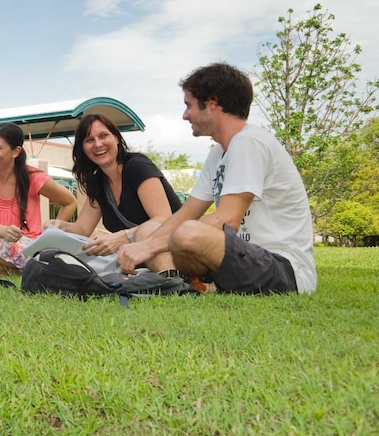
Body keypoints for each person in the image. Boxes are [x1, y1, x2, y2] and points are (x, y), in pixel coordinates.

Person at [117, 62, 317, 294]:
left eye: (189, 105)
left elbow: (227, 219)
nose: (185, 115)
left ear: (212, 103)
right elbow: (186, 212)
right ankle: (173, 283)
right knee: (149, 231)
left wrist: (150, 248)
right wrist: (143, 244)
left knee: (187, 234)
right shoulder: (219, 152)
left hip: (283, 268)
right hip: (237, 258)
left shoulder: (249, 142)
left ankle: (190, 285)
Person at [46, 113, 182, 272]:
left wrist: (123, 237)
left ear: (117, 138)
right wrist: (60, 226)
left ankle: (172, 280)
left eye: (103, 136)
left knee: (147, 230)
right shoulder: (97, 182)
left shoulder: (137, 166)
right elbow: (82, 228)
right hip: (138, 258)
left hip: (173, 248)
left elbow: (163, 219)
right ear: (82, 148)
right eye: (89, 140)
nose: (98, 144)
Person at [0, 122, 77, 274]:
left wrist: (51, 236)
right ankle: (24, 270)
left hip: (29, 245)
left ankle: (31, 264)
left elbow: (70, 202)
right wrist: (3, 231)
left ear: (16, 151)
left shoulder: (33, 177)